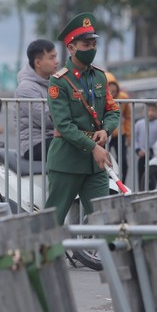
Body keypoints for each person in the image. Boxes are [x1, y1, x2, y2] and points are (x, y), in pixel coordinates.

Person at [45, 12, 120, 226]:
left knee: (105, 218)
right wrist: (93, 147)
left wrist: (106, 130)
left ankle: (110, 259)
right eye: (86, 45)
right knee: (54, 219)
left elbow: (112, 110)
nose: (92, 49)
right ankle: (46, 258)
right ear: (71, 47)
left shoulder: (99, 76)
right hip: (68, 160)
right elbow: (64, 125)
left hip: (94, 165)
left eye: (93, 44)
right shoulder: (58, 82)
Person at [15, 39, 59, 160]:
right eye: (52, 58)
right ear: (38, 63)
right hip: (35, 143)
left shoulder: (55, 83)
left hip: (54, 138)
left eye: (56, 57)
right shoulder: (25, 88)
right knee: (77, 148)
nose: (57, 61)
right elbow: (48, 118)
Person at [106, 72, 131, 180]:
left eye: (114, 90)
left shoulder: (123, 98)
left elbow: (128, 117)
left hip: (120, 134)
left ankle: (122, 184)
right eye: (109, 90)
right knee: (106, 161)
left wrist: (129, 135)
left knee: (123, 162)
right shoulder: (101, 98)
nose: (112, 93)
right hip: (106, 133)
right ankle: (109, 183)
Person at [133, 102, 157, 185]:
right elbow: (135, 138)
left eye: (153, 110)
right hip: (142, 155)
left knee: (153, 176)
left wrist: (152, 150)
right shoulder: (139, 124)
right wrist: (138, 150)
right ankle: (141, 192)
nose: (150, 113)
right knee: (141, 175)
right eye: (148, 110)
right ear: (143, 112)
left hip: (153, 155)